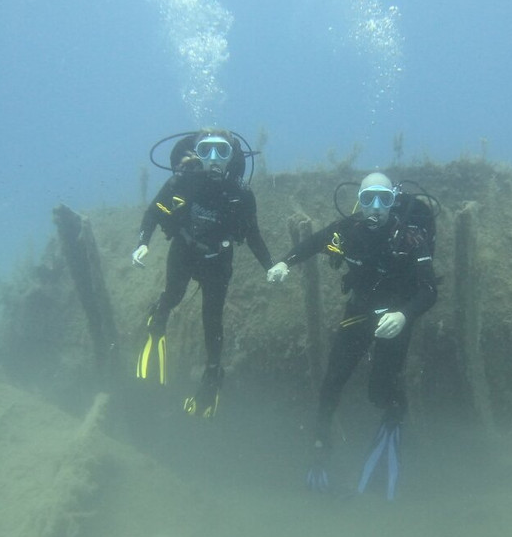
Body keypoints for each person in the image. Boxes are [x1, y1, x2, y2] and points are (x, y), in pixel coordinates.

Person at [267, 172, 437, 499]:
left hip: (395, 318)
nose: (376, 208)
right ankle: (320, 442)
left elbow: (429, 291)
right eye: (369, 199)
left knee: (378, 392)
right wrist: (284, 264)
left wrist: (404, 315)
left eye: (384, 200)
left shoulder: (410, 238)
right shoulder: (348, 230)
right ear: (359, 200)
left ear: (393, 202)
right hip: (359, 313)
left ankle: (394, 412)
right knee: (332, 380)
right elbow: (314, 243)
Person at [132, 128, 279, 418]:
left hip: (219, 259)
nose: (214, 159)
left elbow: (253, 235)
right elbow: (153, 213)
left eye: (221, 152)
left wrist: (270, 264)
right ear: (196, 154)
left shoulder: (241, 194)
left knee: (212, 318)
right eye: (206, 151)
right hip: (183, 252)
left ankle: (213, 372)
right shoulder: (181, 182)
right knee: (173, 295)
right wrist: (142, 244)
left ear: (231, 158)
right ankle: (159, 315)